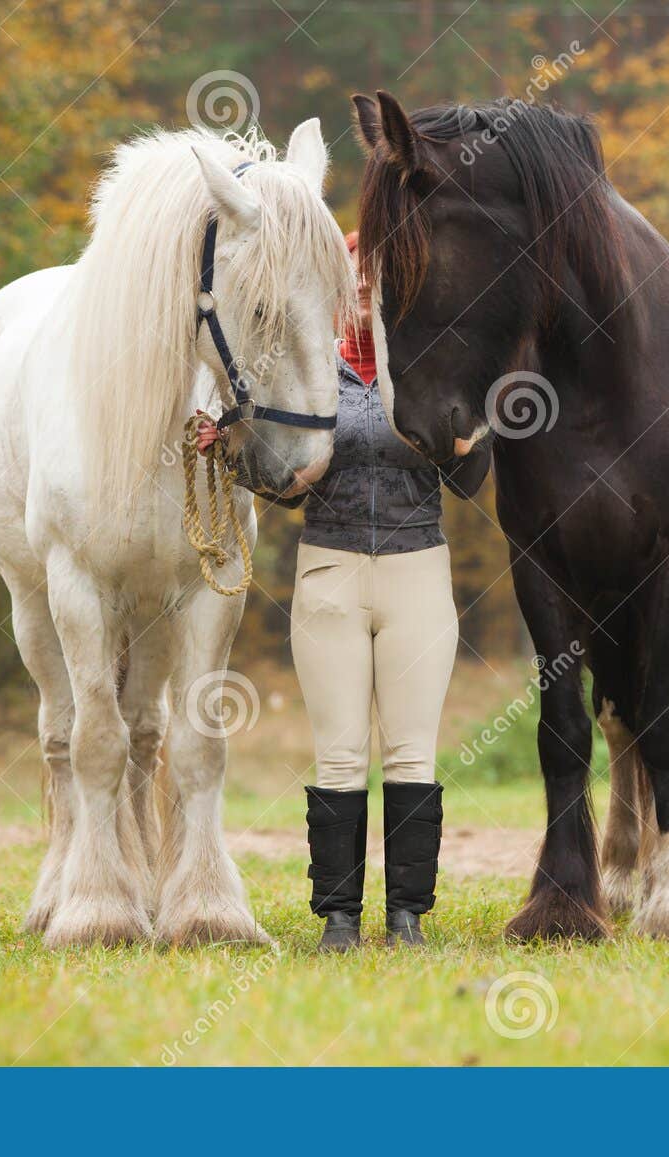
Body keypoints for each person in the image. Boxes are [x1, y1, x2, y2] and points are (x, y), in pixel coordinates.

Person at [196, 232, 489, 950]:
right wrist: (226, 453)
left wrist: (470, 435)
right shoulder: (303, 374)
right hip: (328, 572)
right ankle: (338, 918)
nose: (362, 290)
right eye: (351, 278)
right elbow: (280, 484)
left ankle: (407, 915)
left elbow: (469, 483)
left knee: (413, 752)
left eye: (374, 279)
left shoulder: (429, 368)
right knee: (338, 754)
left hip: (417, 570)